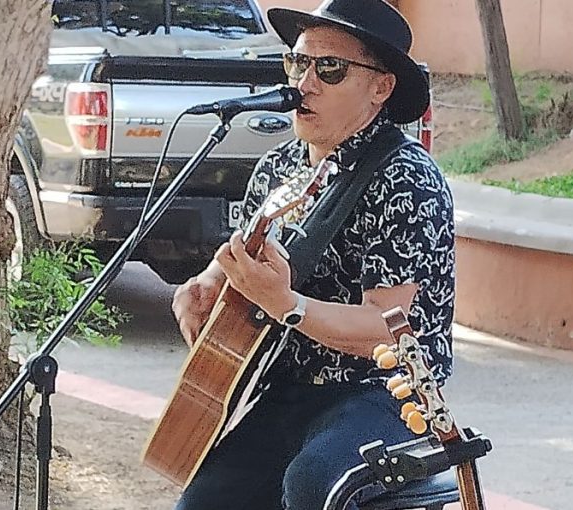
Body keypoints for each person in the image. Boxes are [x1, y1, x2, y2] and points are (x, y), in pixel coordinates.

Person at [171, 0, 455, 508]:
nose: (305, 82)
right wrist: (208, 281)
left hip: (388, 393)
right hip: (290, 383)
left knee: (312, 484)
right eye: (298, 63)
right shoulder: (277, 166)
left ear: (380, 88)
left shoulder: (408, 180)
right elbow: (245, 256)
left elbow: (384, 328)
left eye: (330, 68)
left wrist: (287, 305)